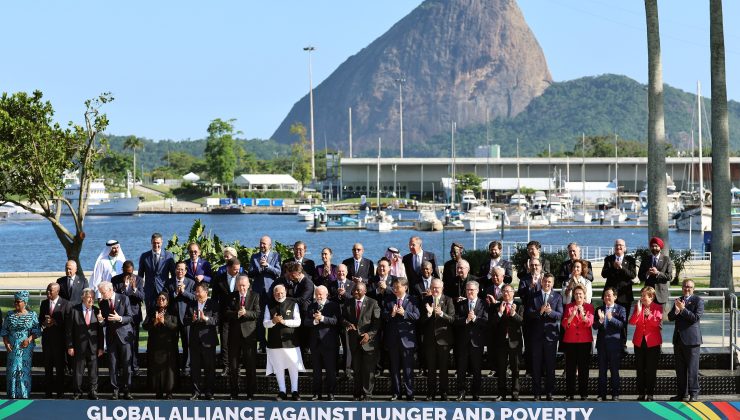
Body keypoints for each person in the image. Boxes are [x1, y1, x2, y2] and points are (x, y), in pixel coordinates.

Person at [263, 284, 305, 401]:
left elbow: (298, 322)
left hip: (290, 342)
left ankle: (295, 391)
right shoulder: (269, 305)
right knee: (278, 367)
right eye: (277, 293)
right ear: (273, 294)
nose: (279, 295)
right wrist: (273, 321)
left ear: (285, 293)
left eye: (282, 293)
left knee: (293, 366)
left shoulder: (293, 304)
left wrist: (284, 322)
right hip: (274, 342)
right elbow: (265, 323)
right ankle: (282, 391)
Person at [525, 273, 562, 401]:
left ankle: (549, 392)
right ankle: (537, 393)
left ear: (553, 283)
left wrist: (550, 312)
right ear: (541, 281)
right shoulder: (533, 296)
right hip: (536, 336)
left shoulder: (557, 296)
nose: (547, 284)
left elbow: (560, 315)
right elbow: (528, 313)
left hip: (551, 337)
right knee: (536, 366)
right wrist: (539, 312)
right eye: (545, 281)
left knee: (550, 366)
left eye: (550, 282)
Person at [342, 281, 381, 401]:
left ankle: (367, 394)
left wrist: (369, 335)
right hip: (354, 341)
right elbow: (342, 318)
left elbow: (377, 323)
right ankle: (357, 394)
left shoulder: (373, 303)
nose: (355, 292)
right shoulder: (348, 303)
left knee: (368, 370)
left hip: (368, 342)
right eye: (354, 290)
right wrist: (347, 323)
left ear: (365, 291)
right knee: (357, 369)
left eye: (358, 290)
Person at [382, 277, 419, 401]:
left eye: (398, 287)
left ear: (405, 287)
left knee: (408, 369)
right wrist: (391, 314)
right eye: (394, 287)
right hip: (393, 340)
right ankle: (396, 393)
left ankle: (410, 393)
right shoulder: (388, 300)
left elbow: (417, 316)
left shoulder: (413, 300)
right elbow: (383, 316)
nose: (395, 289)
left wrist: (405, 313)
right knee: (394, 369)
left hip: (407, 341)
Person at [225, 274, 260, 400]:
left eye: (244, 285)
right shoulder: (231, 297)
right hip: (234, 336)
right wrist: (236, 314)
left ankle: (250, 393)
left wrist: (246, 313)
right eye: (239, 286)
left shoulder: (255, 296)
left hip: (249, 336)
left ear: (248, 285)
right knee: (233, 367)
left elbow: (257, 313)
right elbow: (226, 313)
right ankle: (234, 392)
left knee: (250, 365)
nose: (242, 288)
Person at [98, 281, 134, 400]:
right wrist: (100, 321)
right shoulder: (102, 303)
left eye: (103, 293)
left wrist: (120, 318)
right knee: (112, 365)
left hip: (124, 337)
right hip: (111, 338)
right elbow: (104, 323)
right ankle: (115, 389)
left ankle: (127, 390)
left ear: (110, 290)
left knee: (126, 365)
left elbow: (130, 317)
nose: (102, 295)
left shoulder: (124, 298)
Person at [668, 279, 703, 402]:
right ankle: (682, 393)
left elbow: (695, 318)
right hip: (678, 340)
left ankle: (694, 393)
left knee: (692, 368)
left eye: (689, 287)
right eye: (684, 286)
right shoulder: (678, 300)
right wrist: (677, 311)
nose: (686, 289)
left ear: (693, 288)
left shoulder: (698, 300)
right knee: (680, 369)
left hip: (692, 341)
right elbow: (670, 317)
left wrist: (683, 310)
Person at [304, 285, 341, 401]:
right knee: (316, 371)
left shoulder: (333, 305)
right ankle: (316, 393)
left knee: (330, 370)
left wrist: (323, 318)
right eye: (316, 294)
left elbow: (336, 321)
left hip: (329, 343)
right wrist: (314, 321)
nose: (318, 296)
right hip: (315, 344)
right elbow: (306, 322)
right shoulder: (311, 306)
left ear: (326, 294)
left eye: (320, 294)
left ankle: (331, 393)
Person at [420, 278, 455, 401]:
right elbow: (420, 321)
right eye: (433, 287)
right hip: (430, 340)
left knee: (444, 369)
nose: (435, 290)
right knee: (431, 369)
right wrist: (429, 314)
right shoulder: (426, 300)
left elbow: (452, 319)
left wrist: (441, 314)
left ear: (442, 288)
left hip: (443, 340)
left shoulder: (448, 300)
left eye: (437, 288)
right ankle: (431, 393)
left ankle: (444, 392)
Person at [66, 288, 104, 400]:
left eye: (93, 297)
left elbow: (100, 331)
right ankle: (77, 392)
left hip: (93, 347)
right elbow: (68, 331)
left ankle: (93, 392)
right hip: (78, 347)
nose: (91, 299)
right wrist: (70, 346)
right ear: (83, 297)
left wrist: (101, 347)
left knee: (93, 371)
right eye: (89, 297)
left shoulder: (97, 311)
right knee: (78, 371)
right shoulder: (74, 310)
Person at [1, 291, 40, 399]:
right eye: (15, 301)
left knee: (24, 369)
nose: (16, 303)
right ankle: (12, 394)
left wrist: (29, 339)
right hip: (12, 346)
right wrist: (6, 342)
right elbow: (4, 330)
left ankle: (24, 394)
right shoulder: (9, 314)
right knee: (12, 369)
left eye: (18, 301)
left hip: (25, 347)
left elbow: (36, 331)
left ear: (25, 302)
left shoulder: (32, 315)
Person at [454, 280, 488, 401]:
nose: (470, 292)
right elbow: (455, 320)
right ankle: (461, 392)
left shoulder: (483, 304)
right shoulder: (460, 304)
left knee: (476, 369)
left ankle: (476, 393)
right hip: (463, 342)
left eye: (472, 290)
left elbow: (486, 321)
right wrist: (466, 320)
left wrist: (475, 319)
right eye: (468, 290)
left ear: (477, 291)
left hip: (477, 342)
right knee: (461, 369)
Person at [601, 239, 637, 350]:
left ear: (625, 248)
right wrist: (613, 267)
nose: (619, 247)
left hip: (625, 296)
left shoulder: (630, 260)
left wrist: (621, 267)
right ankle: (608, 340)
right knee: (608, 318)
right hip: (610, 296)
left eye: (621, 245)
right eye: (616, 245)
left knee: (623, 321)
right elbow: (604, 274)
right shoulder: (609, 259)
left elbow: (632, 275)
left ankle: (623, 344)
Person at [142, 292, 179, 399]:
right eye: (159, 299)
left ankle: (169, 392)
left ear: (167, 301)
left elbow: (175, 326)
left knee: (168, 370)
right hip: (155, 345)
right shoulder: (152, 311)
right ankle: (158, 391)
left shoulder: (172, 311)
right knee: (156, 369)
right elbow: (145, 326)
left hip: (168, 346)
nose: (161, 301)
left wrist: (164, 321)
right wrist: (154, 322)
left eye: (163, 299)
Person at [489, 284, 523, 401]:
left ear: (513, 293)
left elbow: (522, 322)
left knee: (515, 369)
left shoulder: (519, 305)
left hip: (515, 342)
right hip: (501, 342)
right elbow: (492, 323)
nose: (506, 293)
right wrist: (499, 312)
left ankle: (515, 394)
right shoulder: (497, 306)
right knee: (501, 369)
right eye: (504, 291)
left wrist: (514, 314)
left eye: (508, 291)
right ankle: (501, 393)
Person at [111, 260, 145, 376]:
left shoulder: (139, 280)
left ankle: (134, 367)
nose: (128, 275)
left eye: (130, 273)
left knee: (134, 342)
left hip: (134, 315)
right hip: (120, 316)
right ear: (123, 270)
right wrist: (124, 289)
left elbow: (142, 297)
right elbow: (114, 297)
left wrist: (134, 289)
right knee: (121, 342)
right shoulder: (115, 280)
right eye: (126, 273)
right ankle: (122, 367)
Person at [187, 281, 219, 400]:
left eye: (198, 291)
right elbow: (185, 320)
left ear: (206, 292)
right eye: (196, 291)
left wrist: (205, 318)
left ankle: (209, 392)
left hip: (208, 340)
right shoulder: (191, 304)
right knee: (195, 368)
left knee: (209, 368)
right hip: (195, 341)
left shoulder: (213, 304)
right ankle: (196, 392)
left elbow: (216, 320)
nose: (196, 293)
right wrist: (192, 319)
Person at [629, 286, 663, 401]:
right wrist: (638, 312)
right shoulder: (638, 307)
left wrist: (649, 315)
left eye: (644, 296)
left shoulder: (658, 307)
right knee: (640, 369)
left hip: (653, 343)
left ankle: (650, 393)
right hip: (639, 342)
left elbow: (657, 324)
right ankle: (641, 393)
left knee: (651, 369)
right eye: (641, 295)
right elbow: (632, 322)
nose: (642, 298)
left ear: (651, 297)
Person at [249, 235, 282, 352]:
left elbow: (278, 272)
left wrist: (267, 266)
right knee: (259, 319)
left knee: (274, 317)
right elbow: (250, 273)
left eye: (264, 243)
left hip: (271, 292)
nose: (262, 245)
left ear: (270, 245)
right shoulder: (254, 257)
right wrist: (259, 269)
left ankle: (274, 343)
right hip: (258, 293)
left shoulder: (276, 256)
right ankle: (262, 343)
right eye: (261, 243)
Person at [593, 286, 626, 402]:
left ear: (615, 297)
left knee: (614, 370)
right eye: (605, 295)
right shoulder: (599, 309)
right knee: (602, 371)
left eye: (609, 295)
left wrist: (611, 318)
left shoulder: (621, 309)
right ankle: (601, 395)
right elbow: (594, 326)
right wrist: (601, 321)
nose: (607, 297)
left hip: (614, 345)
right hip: (602, 345)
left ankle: (615, 394)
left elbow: (622, 325)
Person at [561, 285, 594, 401]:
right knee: (570, 368)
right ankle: (570, 393)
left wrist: (583, 314)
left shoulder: (589, 307)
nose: (578, 296)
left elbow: (590, 323)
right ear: (573, 295)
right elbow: (564, 324)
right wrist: (572, 315)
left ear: (584, 295)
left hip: (584, 342)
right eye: (576, 294)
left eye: (580, 294)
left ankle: (583, 393)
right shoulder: (569, 307)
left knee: (584, 368)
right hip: (570, 341)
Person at [212, 257, 242, 376]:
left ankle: (237, 367)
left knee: (238, 342)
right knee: (224, 341)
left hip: (238, 315)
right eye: (235, 269)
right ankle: (226, 366)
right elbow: (214, 298)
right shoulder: (219, 279)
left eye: (238, 269)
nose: (237, 271)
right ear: (228, 268)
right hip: (224, 315)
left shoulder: (242, 277)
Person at [39, 282, 69, 399]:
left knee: (60, 369)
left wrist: (55, 322)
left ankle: (60, 393)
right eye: (47, 290)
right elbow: (40, 318)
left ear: (57, 291)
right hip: (47, 341)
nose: (48, 293)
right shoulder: (44, 303)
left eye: (50, 291)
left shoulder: (66, 304)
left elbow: (68, 323)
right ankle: (48, 393)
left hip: (60, 342)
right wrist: (44, 322)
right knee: (48, 368)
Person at [138, 232, 176, 313]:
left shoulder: (168, 256)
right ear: (151, 242)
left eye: (158, 243)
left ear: (162, 242)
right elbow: (140, 276)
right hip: (149, 291)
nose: (156, 245)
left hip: (163, 290)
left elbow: (173, 275)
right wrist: (141, 290)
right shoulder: (144, 256)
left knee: (164, 314)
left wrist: (171, 289)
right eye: (154, 243)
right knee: (150, 315)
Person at [170, 261, 196, 375]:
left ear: (185, 271)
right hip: (173, 319)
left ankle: (186, 368)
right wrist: (175, 293)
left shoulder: (191, 282)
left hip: (187, 318)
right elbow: (165, 298)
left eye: (182, 269)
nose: (180, 271)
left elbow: (195, 298)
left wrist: (184, 292)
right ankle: (174, 368)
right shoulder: (169, 282)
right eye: (178, 269)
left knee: (187, 344)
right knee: (172, 344)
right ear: (175, 270)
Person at [328, 264, 354, 377]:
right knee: (333, 345)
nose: (341, 273)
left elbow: (355, 299)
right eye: (338, 272)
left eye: (343, 271)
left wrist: (344, 294)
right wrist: (336, 296)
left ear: (347, 272)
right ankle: (335, 369)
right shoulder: (331, 284)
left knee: (347, 345)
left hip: (346, 319)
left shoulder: (352, 284)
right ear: (335, 273)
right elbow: (327, 299)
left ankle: (347, 370)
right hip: (333, 318)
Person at [638, 237, 674, 315]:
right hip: (648, 295)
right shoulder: (645, 259)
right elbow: (640, 276)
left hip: (660, 295)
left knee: (658, 319)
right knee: (647, 318)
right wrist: (647, 273)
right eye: (652, 246)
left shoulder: (666, 260)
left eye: (656, 246)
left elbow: (669, 277)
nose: (654, 248)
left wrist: (658, 273)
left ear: (660, 247)